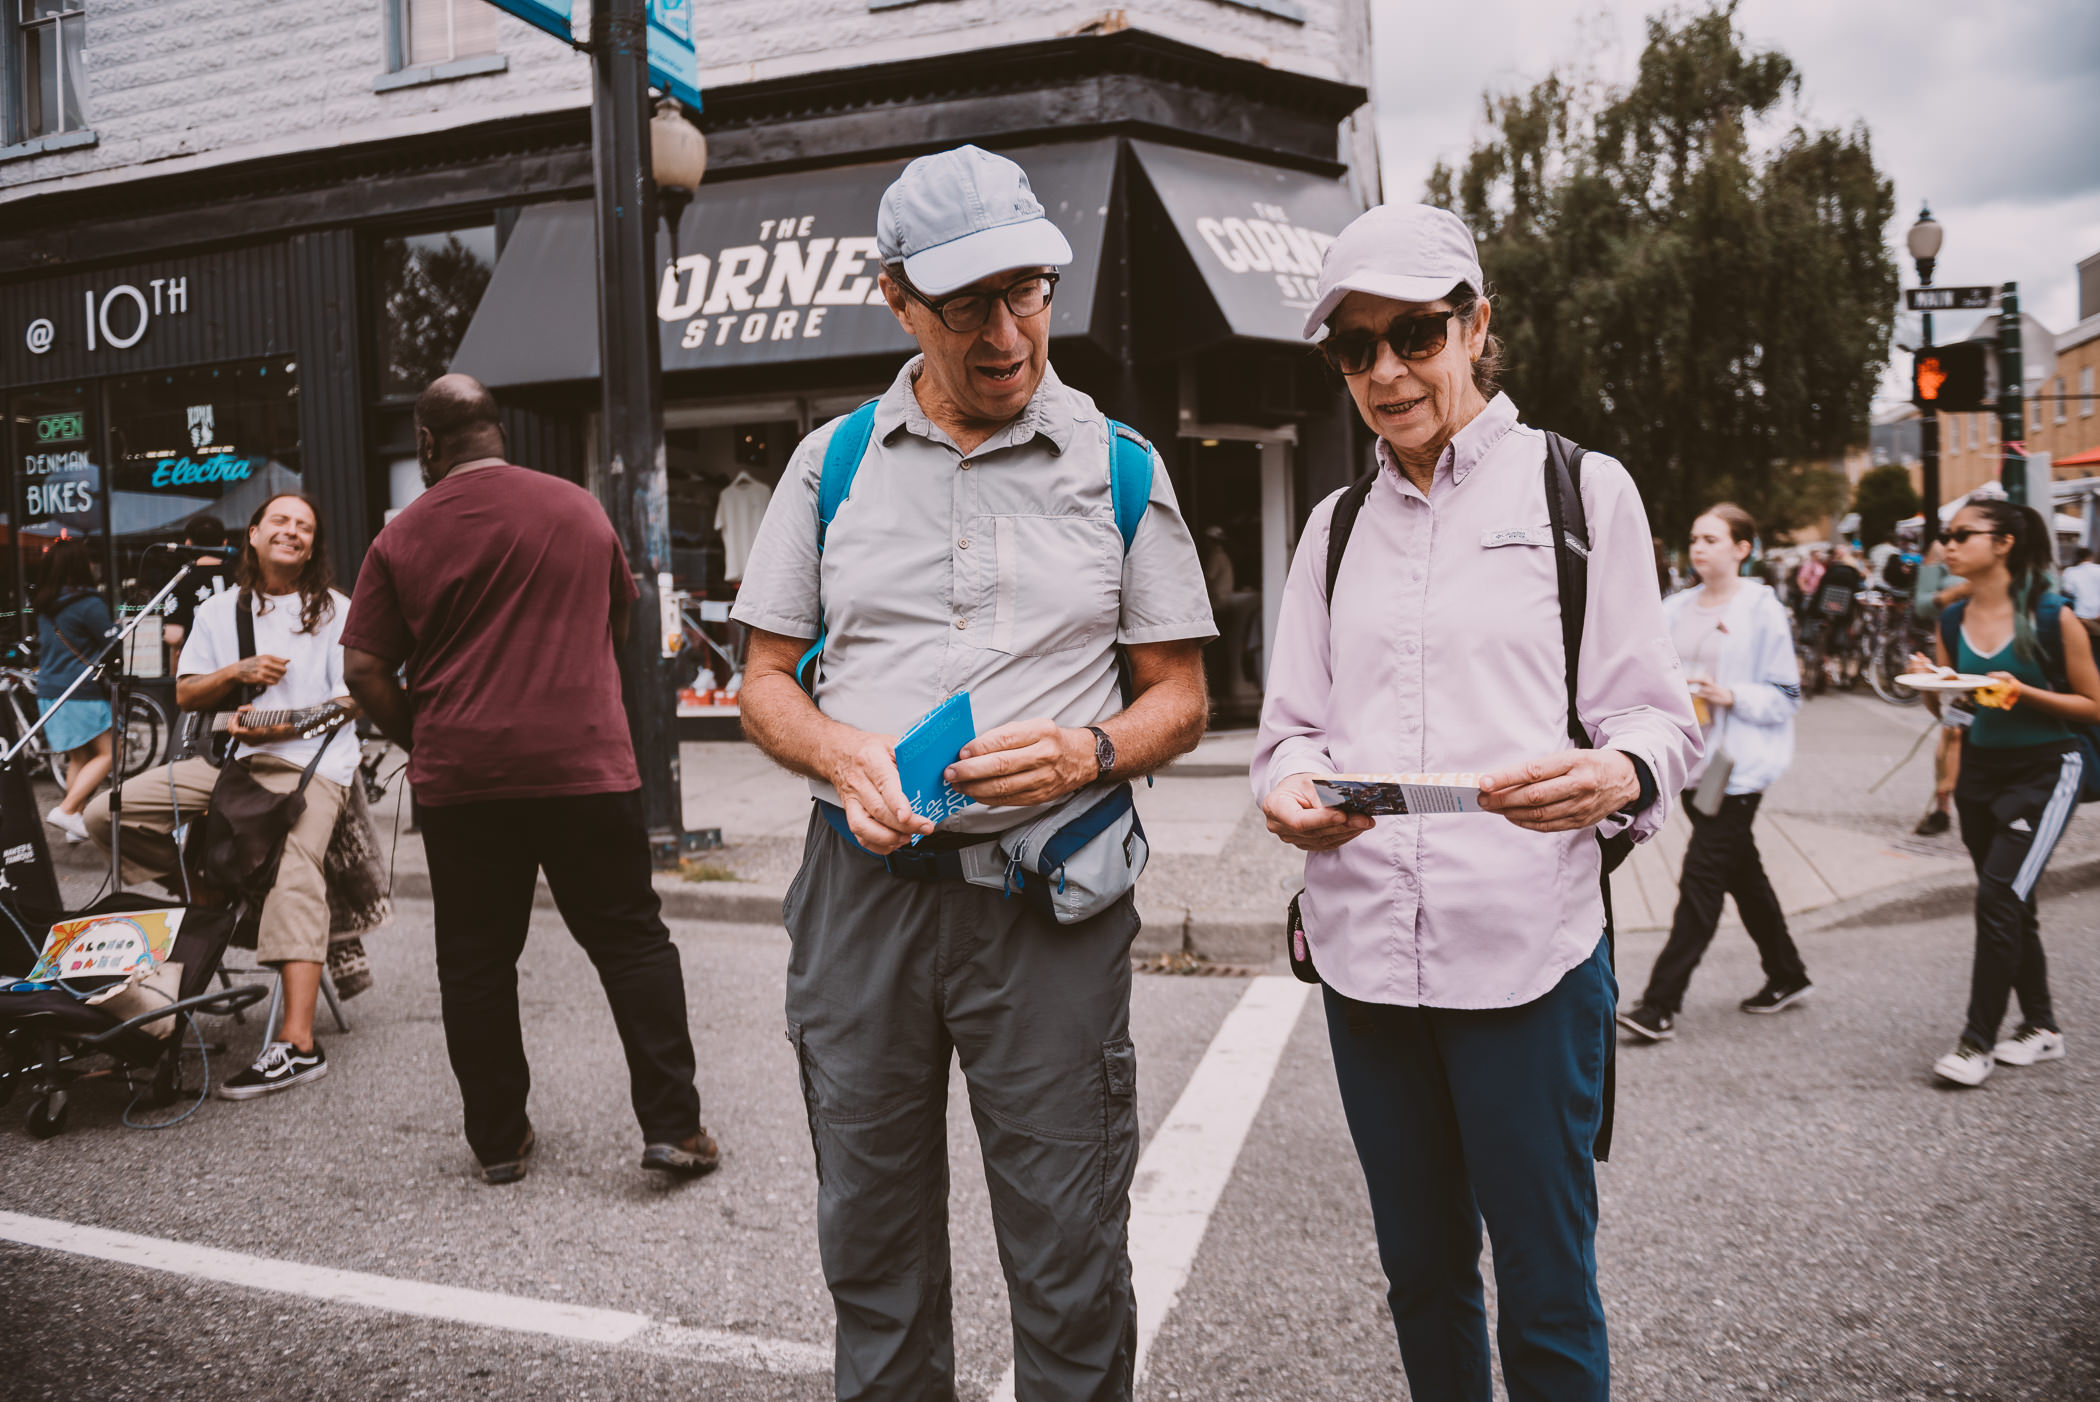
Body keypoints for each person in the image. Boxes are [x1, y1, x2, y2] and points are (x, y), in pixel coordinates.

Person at [730, 145, 1214, 1399]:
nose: (1008, 333)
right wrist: (844, 755)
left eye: (1030, 294)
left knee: (1068, 1259)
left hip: (1045, 901)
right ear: (897, 299)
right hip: (862, 898)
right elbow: (765, 682)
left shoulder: (1121, 467)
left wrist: (1087, 748)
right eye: (967, 305)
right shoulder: (829, 463)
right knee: (873, 1254)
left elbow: (1185, 697)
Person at [1252, 203, 1700, 1402]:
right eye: (1355, 347)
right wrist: (1292, 794)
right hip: (1365, 966)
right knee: (1421, 1274)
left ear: (1476, 324)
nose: (1387, 370)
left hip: (1528, 961)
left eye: (1415, 333)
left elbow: (1657, 717)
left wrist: (1619, 772)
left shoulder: (1580, 490)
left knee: (1548, 1289)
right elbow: (1288, 731)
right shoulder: (1332, 529)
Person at [342, 375, 717, 1186]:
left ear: (428, 444)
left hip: (465, 780)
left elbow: (366, 670)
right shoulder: (579, 509)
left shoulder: (400, 538)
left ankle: (500, 1143)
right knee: (630, 940)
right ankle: (675, 1130)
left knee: (476, 960)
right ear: (497, 432)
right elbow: (614, 625)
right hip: (584, 768)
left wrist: (427, 732)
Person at [85, 494, 361, 1100]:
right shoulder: (217, 611)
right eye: (281, 521)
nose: (293, 531)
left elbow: (352, 700)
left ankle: (297, 1045)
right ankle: (223, 896)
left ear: (312, 547)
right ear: (255, 535)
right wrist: (238, 674)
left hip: (313, 767)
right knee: (106, 812)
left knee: (295, 869)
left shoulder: (338, 611)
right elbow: (187, 693)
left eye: (306, 527)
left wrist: (280, 723)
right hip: (230, 766)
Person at [1907, 500, 2100, 1087]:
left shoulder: (2050, 616)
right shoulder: (1950, 621)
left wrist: (2025, 693)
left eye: (1963, 534)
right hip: (1980, 774)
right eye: (1946, 535)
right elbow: (1953, 712)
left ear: (2005, 543)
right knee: (2013, 899)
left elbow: (2093, 705)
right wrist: (1933, 686)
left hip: (2047, 767)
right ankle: (2040, 1027)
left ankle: (1976, 1043)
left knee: (1996, 897)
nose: (1948, 545)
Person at [1618, 504, 1811, 1042]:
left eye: (1711, 539)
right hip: (1693, 760)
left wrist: (1733, 695)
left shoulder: (1763, 609)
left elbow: (1789, 693)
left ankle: (1660, 1003)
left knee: (1703, 876)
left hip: (1739, 765)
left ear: (1741, 549)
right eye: (1695, 538)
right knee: (1741, 872)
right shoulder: (1675, 608)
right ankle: (1787, 973)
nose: (1699, 548)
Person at [33, 536, 115, 844]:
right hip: (80, 690)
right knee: (110, 754)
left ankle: (73, 821)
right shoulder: (88, 604)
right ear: (82, 565)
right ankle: (67, 810)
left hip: (50, 691)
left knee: (79, 758)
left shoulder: (45, 604)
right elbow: (111, 647)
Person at [1911, 538, 1970, 837]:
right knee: (1952, 729)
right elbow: (1922, 604)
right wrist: (1958, 593)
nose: (1957, 544)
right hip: (1954, 639)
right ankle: (1942, 807)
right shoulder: (1939, 550)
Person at [2063, 546, 2100, 642]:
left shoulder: (2070, 571)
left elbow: (2067, 591)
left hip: (2080, 617)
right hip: (2097, 617)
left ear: (2077, 558)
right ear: (2091, 557)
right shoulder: (2098, 569)